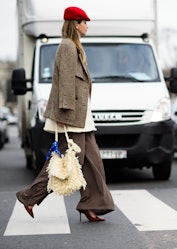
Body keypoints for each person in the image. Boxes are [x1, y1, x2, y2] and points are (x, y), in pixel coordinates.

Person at [16, 6, 114, 222]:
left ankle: (92, 204)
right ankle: (29, 197)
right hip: (70, 118)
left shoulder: (75, 46)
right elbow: (65, 82)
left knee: (93, 162)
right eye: (84, 22)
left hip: (82, 118)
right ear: (75, 23)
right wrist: (64, 112)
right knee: (65, 162)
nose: (87, 25)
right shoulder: (68, 46)